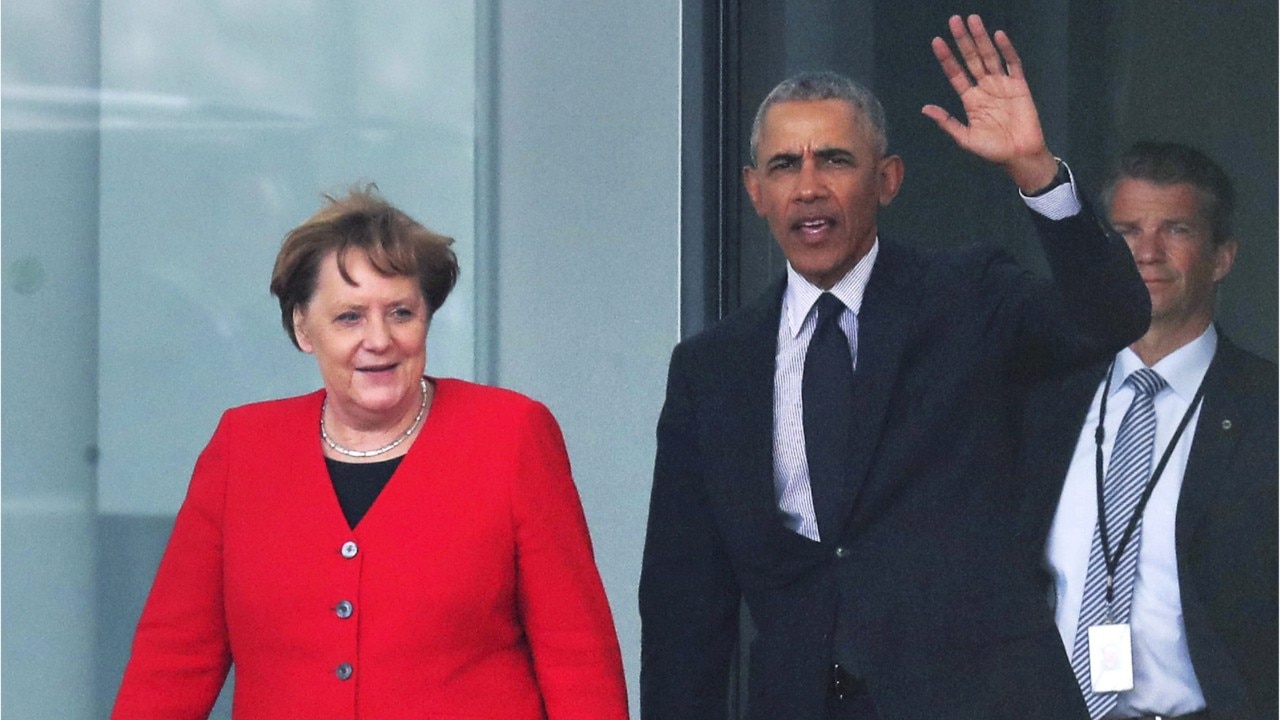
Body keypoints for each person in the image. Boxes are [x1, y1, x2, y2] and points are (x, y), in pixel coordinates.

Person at [639, 15, 1150, 720]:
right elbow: (685, 605)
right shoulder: (711, 370)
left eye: (834, 161)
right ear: (755, 191)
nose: (808, 187)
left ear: (887, 180)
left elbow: (1110, 319)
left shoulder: (968, 294)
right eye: (785, 165)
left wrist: (1037, 173)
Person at [112, 187, 629, 719]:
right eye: (350, 317)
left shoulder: (511, 435)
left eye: (401, 312)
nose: (379, 339)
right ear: (303, 327)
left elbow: (577, 658)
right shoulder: (243, 448)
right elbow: (172, 662)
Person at [1018, 142, 1277, 719]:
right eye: (1127, 232)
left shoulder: (1267, 411)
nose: (1148, 252)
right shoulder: (1044, 398)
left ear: (1222, 257)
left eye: (1176, 230)